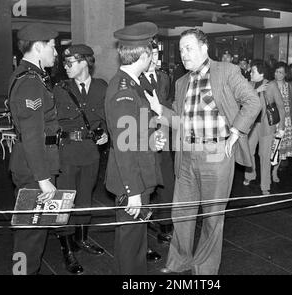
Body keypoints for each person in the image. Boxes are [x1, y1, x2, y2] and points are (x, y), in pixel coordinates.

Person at [145, 28, 261, 275]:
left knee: (212, 216)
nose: (183, 54)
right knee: (181, 213)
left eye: (188, 48)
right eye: (180, 50)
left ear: (204, 48)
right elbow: (179, 118)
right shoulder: (181, 82)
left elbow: (253, 102)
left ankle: (204, 269)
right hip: (186, 154)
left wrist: (236, 133)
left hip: (216, 153)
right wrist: (159, 109)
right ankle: (179, 262)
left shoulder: (226, 72)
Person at [105, 22, 165, 275]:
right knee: (132, 246)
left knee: (132, 243)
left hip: (139, 172)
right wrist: (133, 192)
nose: (153, 57)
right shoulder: (124, 91)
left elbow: (136, 131)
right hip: (132, 179)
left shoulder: (132, 84)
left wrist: (152, 140)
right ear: (143, 55)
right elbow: (124, 147)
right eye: (152, 52)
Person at [8, 23, 59, 275]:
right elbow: (31, 135)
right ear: (38, 47)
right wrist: (43, 178)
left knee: (33, 233)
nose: (56, 52)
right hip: (34, 170)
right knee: (29, 236)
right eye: (52, 46)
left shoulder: (31, 77)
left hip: (34, 166)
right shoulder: (31, 82)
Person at [53, 44, 108, 274]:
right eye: (64, 63)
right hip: (66, 152)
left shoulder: (101, 86)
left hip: (90, 151)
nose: (66, 67)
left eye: (71, 63)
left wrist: (105, 132)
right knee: (64, 200)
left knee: (85, 197)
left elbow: (107, 115)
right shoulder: (59, 88)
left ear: (85, 62)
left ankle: (82, 238)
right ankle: (67, 250)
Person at [139, 42, 174, 250]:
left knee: (166, 183)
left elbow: (168, 103)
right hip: (144, 138)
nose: (153, 58)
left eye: (155, 54)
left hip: (164, 136)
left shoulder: (164, 78)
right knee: (145, 185)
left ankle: (165, 226)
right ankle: (142, 229)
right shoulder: (135, 79)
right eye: (149, 54)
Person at [243, 60, 285, 195]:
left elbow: (280, 106)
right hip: (252, 125)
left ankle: (265, 185)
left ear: (261, 73)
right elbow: (242, 101)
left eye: (253, 71)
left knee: (264, 155)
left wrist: (282, 127)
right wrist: (256, 91)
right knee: (248, 151)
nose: (250, 72)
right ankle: (250, 175)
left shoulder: (271, 85)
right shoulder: (249, 84)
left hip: (267, 125)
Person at [271, 62, 292, 182]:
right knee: (270, 147)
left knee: (279, 148)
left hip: (285, 121)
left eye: (281, 72)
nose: (278, 74)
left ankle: (275, 171)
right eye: (276, 71)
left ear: (286, 73)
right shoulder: (270, 84)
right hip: (271, 120)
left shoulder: (289, 86)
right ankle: (266, 170)